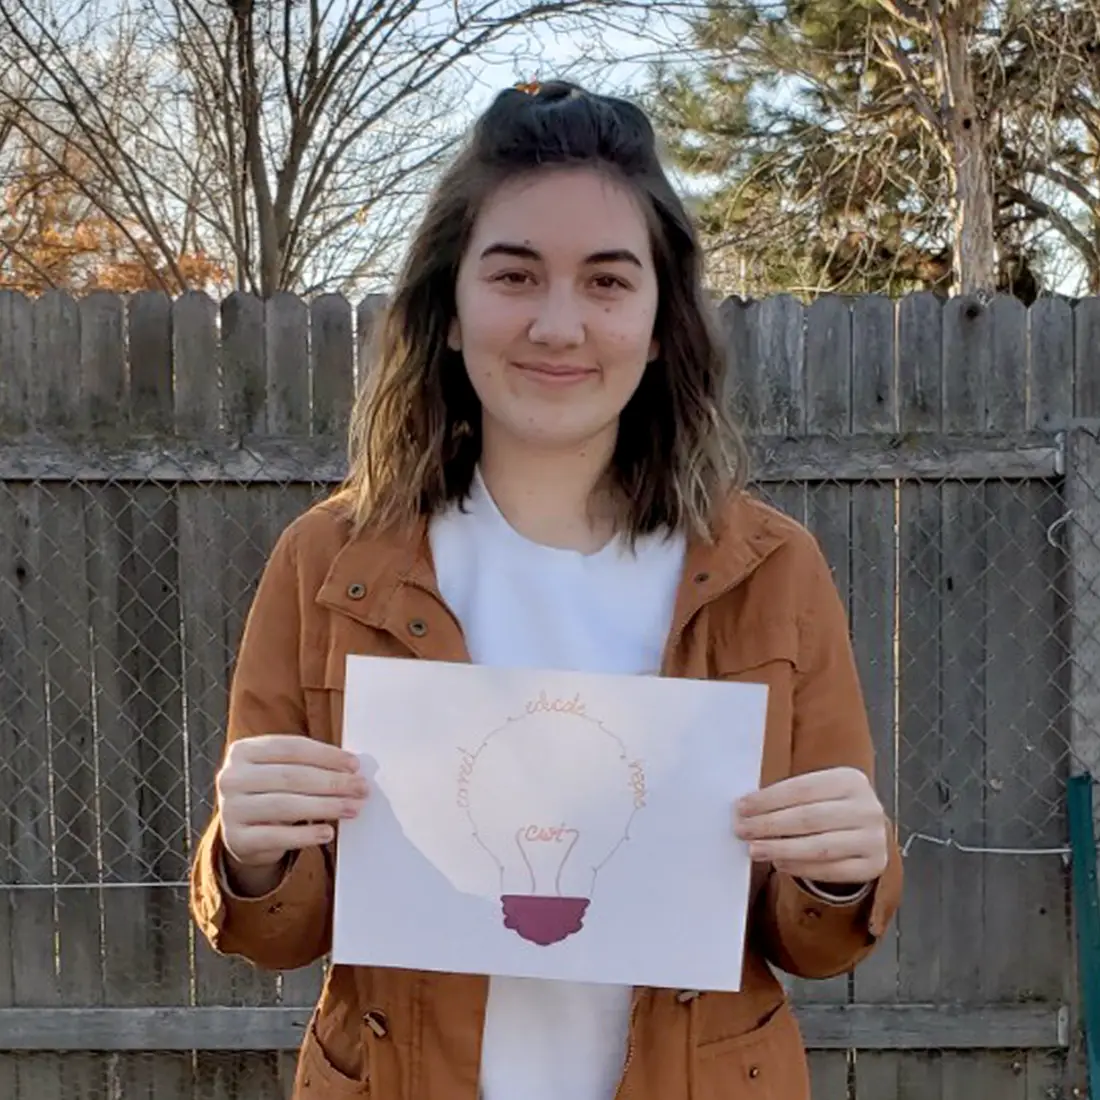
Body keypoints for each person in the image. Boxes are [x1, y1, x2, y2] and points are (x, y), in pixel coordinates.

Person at [189, 80, 902, 1100]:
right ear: (446, 308)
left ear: (660, 324)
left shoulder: (768, 568)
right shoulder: (328, 564)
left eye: (606, 282)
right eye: (515, 274)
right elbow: (278, 931)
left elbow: (815, 938)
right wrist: (251, 854)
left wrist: (842, 864)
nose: (558, 324)